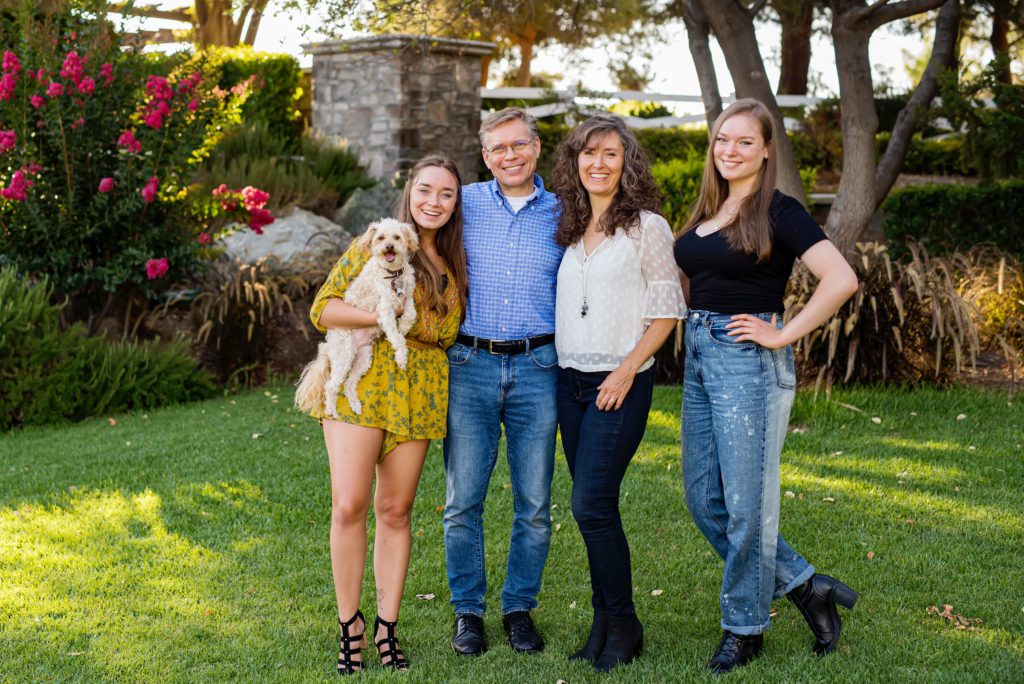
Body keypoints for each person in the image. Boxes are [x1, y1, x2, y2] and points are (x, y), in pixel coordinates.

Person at [673, 98, 861, 674]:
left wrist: (783, 336)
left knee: (748, 508)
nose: (730, 151)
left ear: (765, 150)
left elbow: (841, 278)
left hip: (746, 363)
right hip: (701, 355)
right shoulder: (710, 207)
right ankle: (807, 587)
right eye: (722, 140)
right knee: (705, 499)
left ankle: (744, 628)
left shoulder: (780, 211)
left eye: (744, 142)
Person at [307, 156, 467, 675]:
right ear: (410, 193)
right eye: (425, 190)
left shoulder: (455, 260)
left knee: (396, 512)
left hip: (420, 391)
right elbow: (324, 308)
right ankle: (348, 623)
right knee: (350, 504)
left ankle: (386, 626)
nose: (434, 201)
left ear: (455, 202)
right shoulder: (374, 244)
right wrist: (383, 316)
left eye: (446, 193)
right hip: (367, 379)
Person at [551, 115, 686, 672]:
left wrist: (627, 371)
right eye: (588, 154)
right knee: (593, 509)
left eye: (610, 154)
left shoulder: (648, 227)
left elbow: (667, 311)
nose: (598, 164)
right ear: (575, 162)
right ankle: (604, 622)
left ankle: (624, 623)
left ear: (627, 163)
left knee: (590, 504)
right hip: (569, 382)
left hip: (618, 382)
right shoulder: (570, 226)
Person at [443, 107, 563, 656]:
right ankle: (468, 612)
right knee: (462, 501)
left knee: (534, 502)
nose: (508, 157)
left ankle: (518, 609)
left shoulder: (564, 212)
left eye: (518, 146)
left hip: (539, 367)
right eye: (497, 149)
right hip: (469, 364)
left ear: (536, 148)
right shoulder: (460, 204)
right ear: (484, 155)